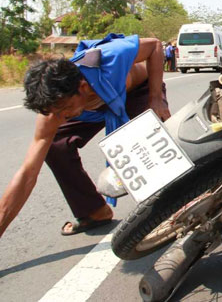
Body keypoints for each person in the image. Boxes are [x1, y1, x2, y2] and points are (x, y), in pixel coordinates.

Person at [0, 34, 170, 237]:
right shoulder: (56, 110)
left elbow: (155, 46)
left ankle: (174, 207)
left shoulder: (109, 57)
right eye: (55, 113)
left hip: (138, 92)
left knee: (146, 150)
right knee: (55, 145)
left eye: (64, 110)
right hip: (96, 106)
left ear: (81, 88)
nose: (61, 118)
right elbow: (28, 173)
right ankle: (94, 211)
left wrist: (156, 97)